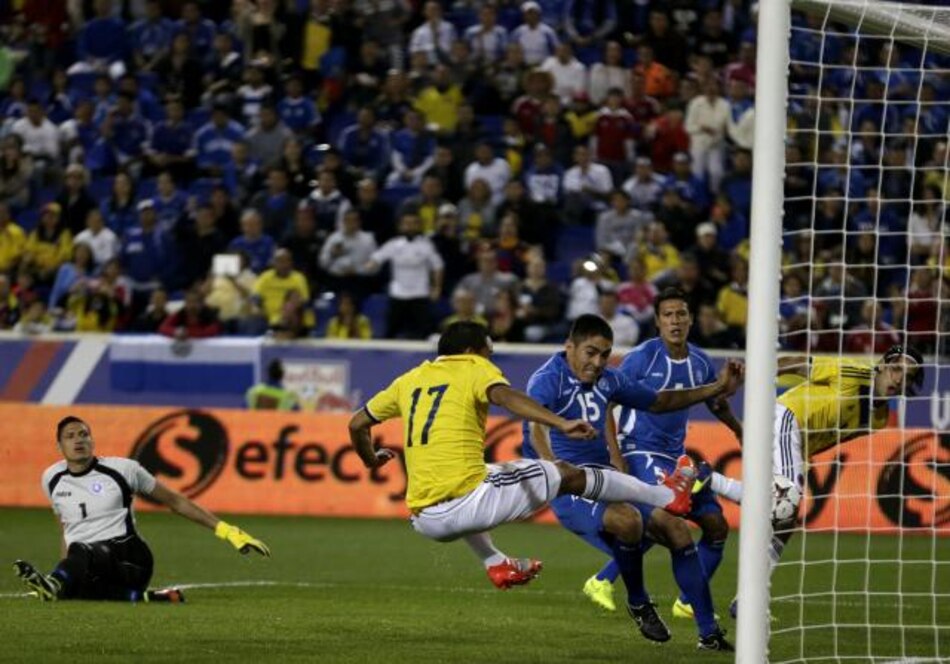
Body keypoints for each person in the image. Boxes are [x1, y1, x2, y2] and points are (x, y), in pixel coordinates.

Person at [347, 321, 706, 592]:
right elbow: (505, 397)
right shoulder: (474, 367)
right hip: (468, 502)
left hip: (424, 518)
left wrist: (370, 460)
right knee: (566, 472)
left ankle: (495, 562)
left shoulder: (408, 379)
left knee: (482, 475)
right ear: (473, 350)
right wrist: (560, 423)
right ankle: (667, 495)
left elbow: (357, 423)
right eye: (489, 353)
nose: (491, 359)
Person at [522, 314, 739, 650]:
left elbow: (661, 401)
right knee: (628, 520)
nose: (597, 363)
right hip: (567, 484)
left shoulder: (609, 380)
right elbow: (535, 425)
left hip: (604, 478)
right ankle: (639, 602)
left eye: (605, 355)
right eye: (590, 353)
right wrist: (553, 467)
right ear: (570, 347)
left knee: (677, 528)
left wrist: (715, 387)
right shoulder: (547, 379)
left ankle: (709, 635)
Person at [708, 345, 925, 619]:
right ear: (882, 364)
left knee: (785, 521)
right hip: (785, 418)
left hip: (798, 445)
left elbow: (833, 437)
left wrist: (801, 457)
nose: (898, 380)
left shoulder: (879, 419)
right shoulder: (853, 373)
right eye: (896, 369)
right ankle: (709, 481)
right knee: (787, 500)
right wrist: (750, 374)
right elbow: (799, 362)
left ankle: (747, 596)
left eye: (908, 377)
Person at [581, 289, 743, 625]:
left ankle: (683, 600)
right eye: (668, 315)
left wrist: (739, 430)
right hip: (639, 449)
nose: (675, 321)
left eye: (681, 314)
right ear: (657, 321)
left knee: (716, 527)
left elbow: (715, 401)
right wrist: (616, 456)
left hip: (675, 456)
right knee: (668, 522)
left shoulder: (700, 361)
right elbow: (608, 401)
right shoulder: (643, 357)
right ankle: (605, 581)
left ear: (691, 319)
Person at [14, 416, 270, 603]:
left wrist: (226, 531)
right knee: (74, 590)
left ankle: (55, 584)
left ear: (92, 440)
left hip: (130, 558)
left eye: (83, 434)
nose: (78, 440)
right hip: (91, 563)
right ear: (59, 447)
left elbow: (175, 501)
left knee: (78, 556)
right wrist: (67, 568)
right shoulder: (52, 478)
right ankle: (149, 598)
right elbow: (66, 530)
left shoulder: (124, 470)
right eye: (70, 436)